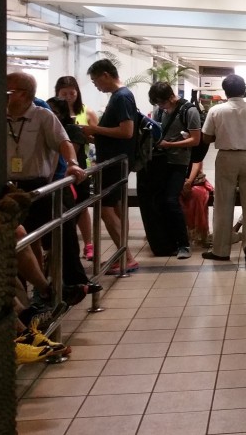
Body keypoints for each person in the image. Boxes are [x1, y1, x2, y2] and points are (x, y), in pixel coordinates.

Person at [6, 73, 94, 296]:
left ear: (23, 94)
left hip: (37, 187)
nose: (4, 95)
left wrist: (72, 164)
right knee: (19, 240)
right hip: (8, 189)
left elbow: (64, 142)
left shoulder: (43, 116)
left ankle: (73, 281)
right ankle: (25, 294)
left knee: (62, 227)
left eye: (9, 92)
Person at [201, 74, 246, 262]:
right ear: (244, 90)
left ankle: (220, 251)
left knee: (223, 204)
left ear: (225, 91)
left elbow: (206, 138)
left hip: (226, 157)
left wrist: (225, 134)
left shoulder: (216, 110)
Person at [82, 59, 140, 274]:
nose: (96, 85)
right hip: (116, 161)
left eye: (95, 80)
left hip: (115, 164)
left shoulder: (121, 97)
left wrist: (94, 129)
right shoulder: (120, 96)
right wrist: (95, 136)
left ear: (106, 75)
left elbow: (126, 131)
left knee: (105, 209)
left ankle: (127, 256)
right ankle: (123, 254)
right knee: (116, 208)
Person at [139, 81, 201, 259]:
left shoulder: (189, 111)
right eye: (157, 103)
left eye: (162, 102)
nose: (160, 106)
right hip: (160, 162)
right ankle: (167, 242)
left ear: (171, 97)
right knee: (158, 201)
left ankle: (183, 244)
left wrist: (170, 145)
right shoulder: (159, 111)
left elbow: (195, 140)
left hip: (179, 162)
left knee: (171, 200)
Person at [55, 75, 98, 261]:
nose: (68, 97)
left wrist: (84, 135)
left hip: (80, 165)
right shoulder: (51, 112)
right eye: (64, 94)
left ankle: (88, 244)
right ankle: (63, 247)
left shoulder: (87, 112)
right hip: (58, 167)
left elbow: (97, 137)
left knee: (82, 206)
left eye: (72, 93)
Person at [181, 153, 213, 248]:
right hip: (178, 178)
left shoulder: (196, 151)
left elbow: (197, 164)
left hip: (195, 180)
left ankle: (199, 233)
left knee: (197, 194)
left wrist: (188, 182)